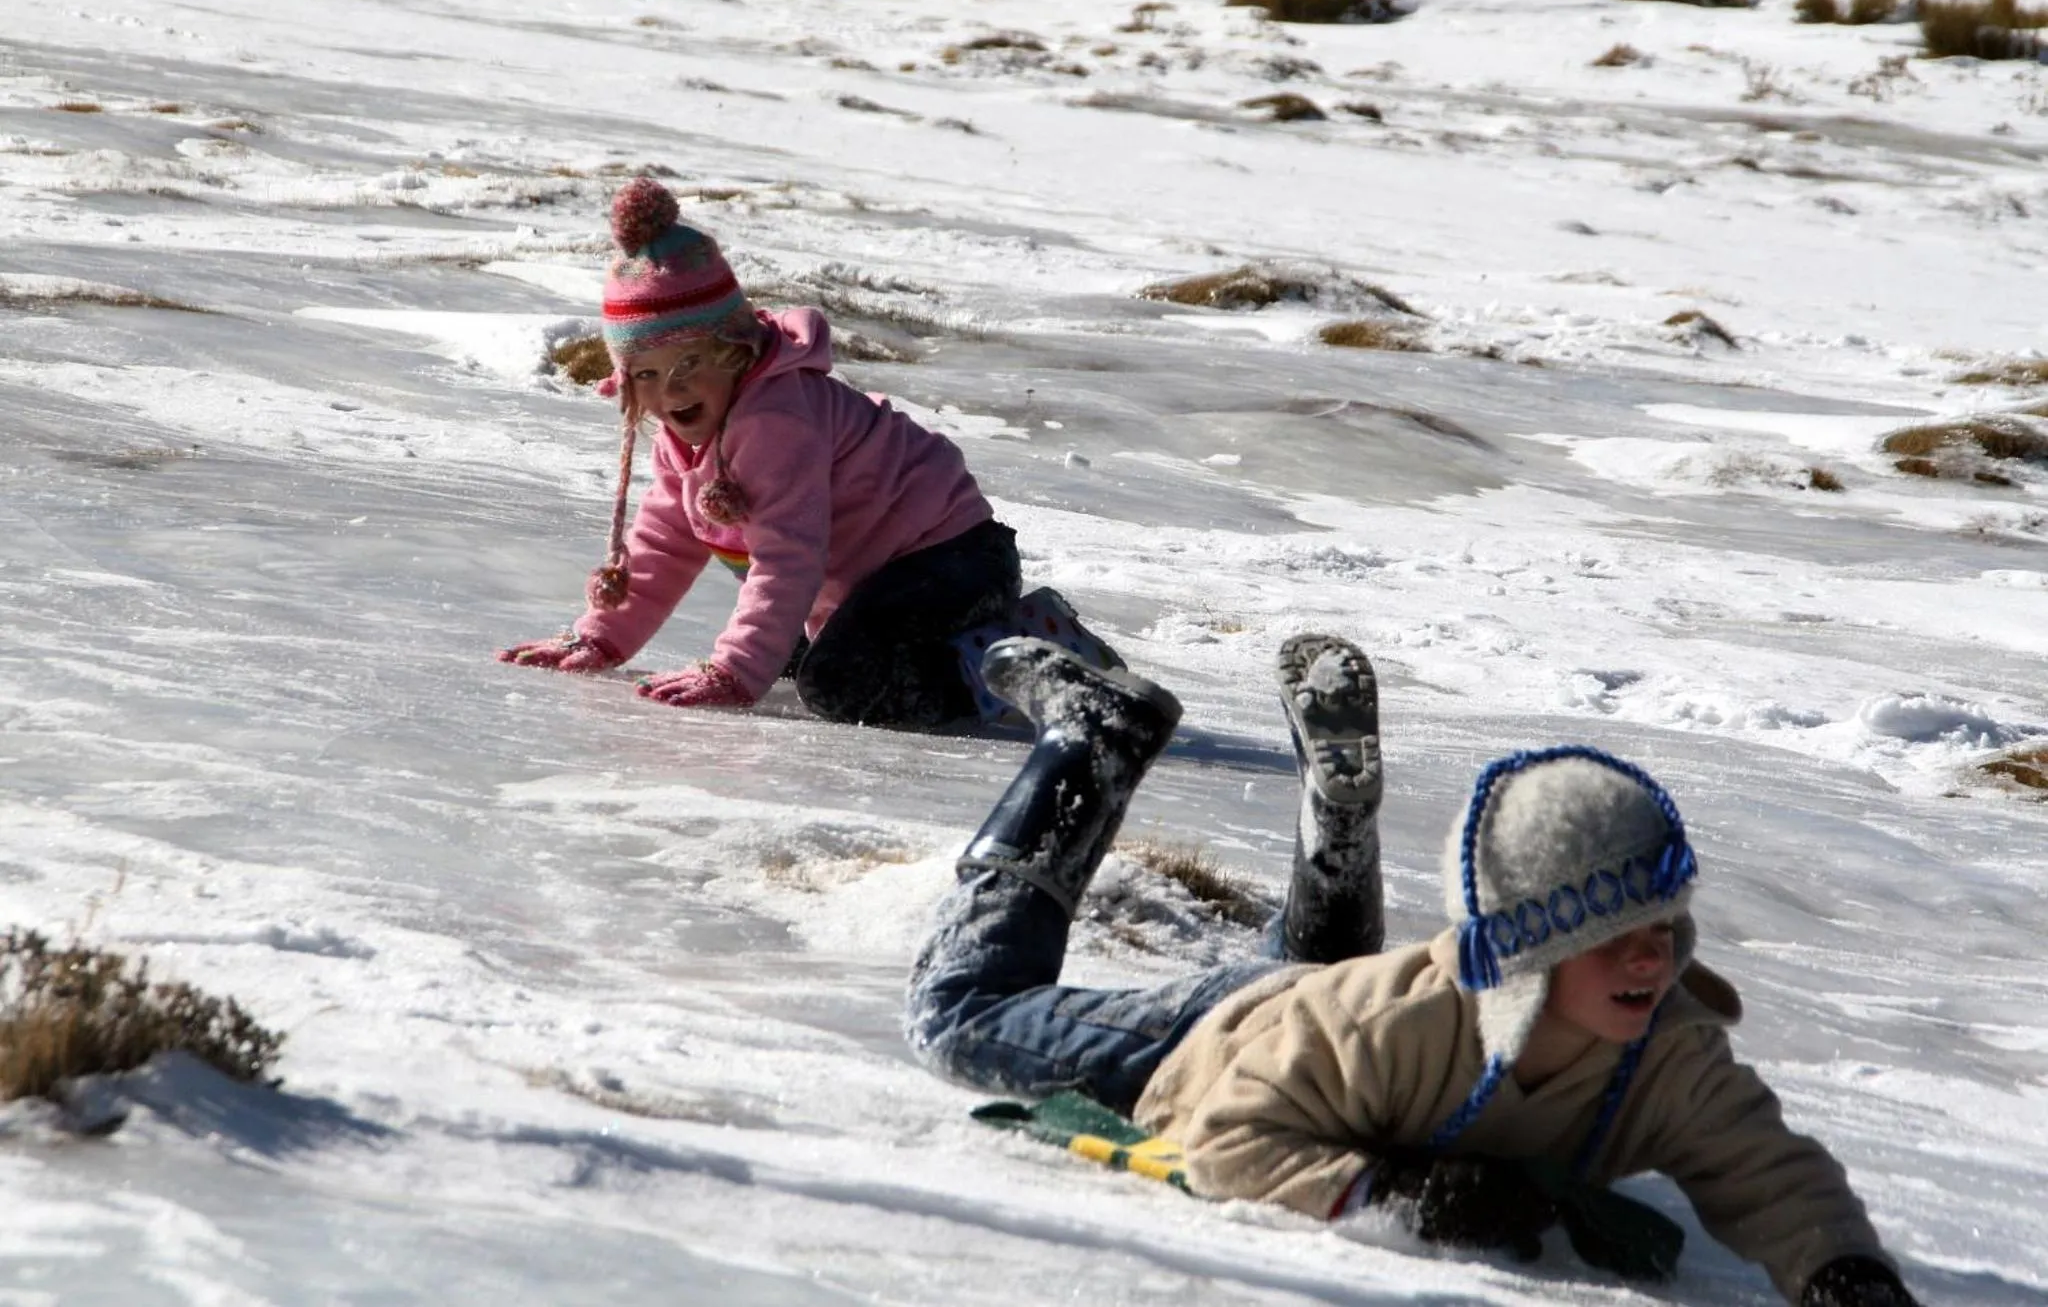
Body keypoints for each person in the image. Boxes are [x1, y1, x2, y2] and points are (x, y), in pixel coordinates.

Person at [904, 633, 1919, 1307]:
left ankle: (1336, 830)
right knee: (955, 1013)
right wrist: (1390, 1190)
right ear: (1526, 947)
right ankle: (1088, 741)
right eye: (1612, 934)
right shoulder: (1407, 1027)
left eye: (1665, 927)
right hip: (1214, 1042)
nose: (1650, 957)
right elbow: (1217, 1133)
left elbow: (1770, 1176)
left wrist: (1842, 1274)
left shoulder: (1670, 1056)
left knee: (1313, 975)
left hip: (1326, 1002)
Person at [499, 177, 1112, 730]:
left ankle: (1038, 658)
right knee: (790, 655)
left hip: (949, 563)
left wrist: (733, 674)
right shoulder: (684, 436)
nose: (672, 390)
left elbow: (789, 558)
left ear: (736, 351)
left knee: (839, 684)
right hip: (869, 574)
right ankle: (978, 647)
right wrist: (602, 638)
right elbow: (666, 539)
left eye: (690, 364)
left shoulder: (773, 419)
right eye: (648, 375)